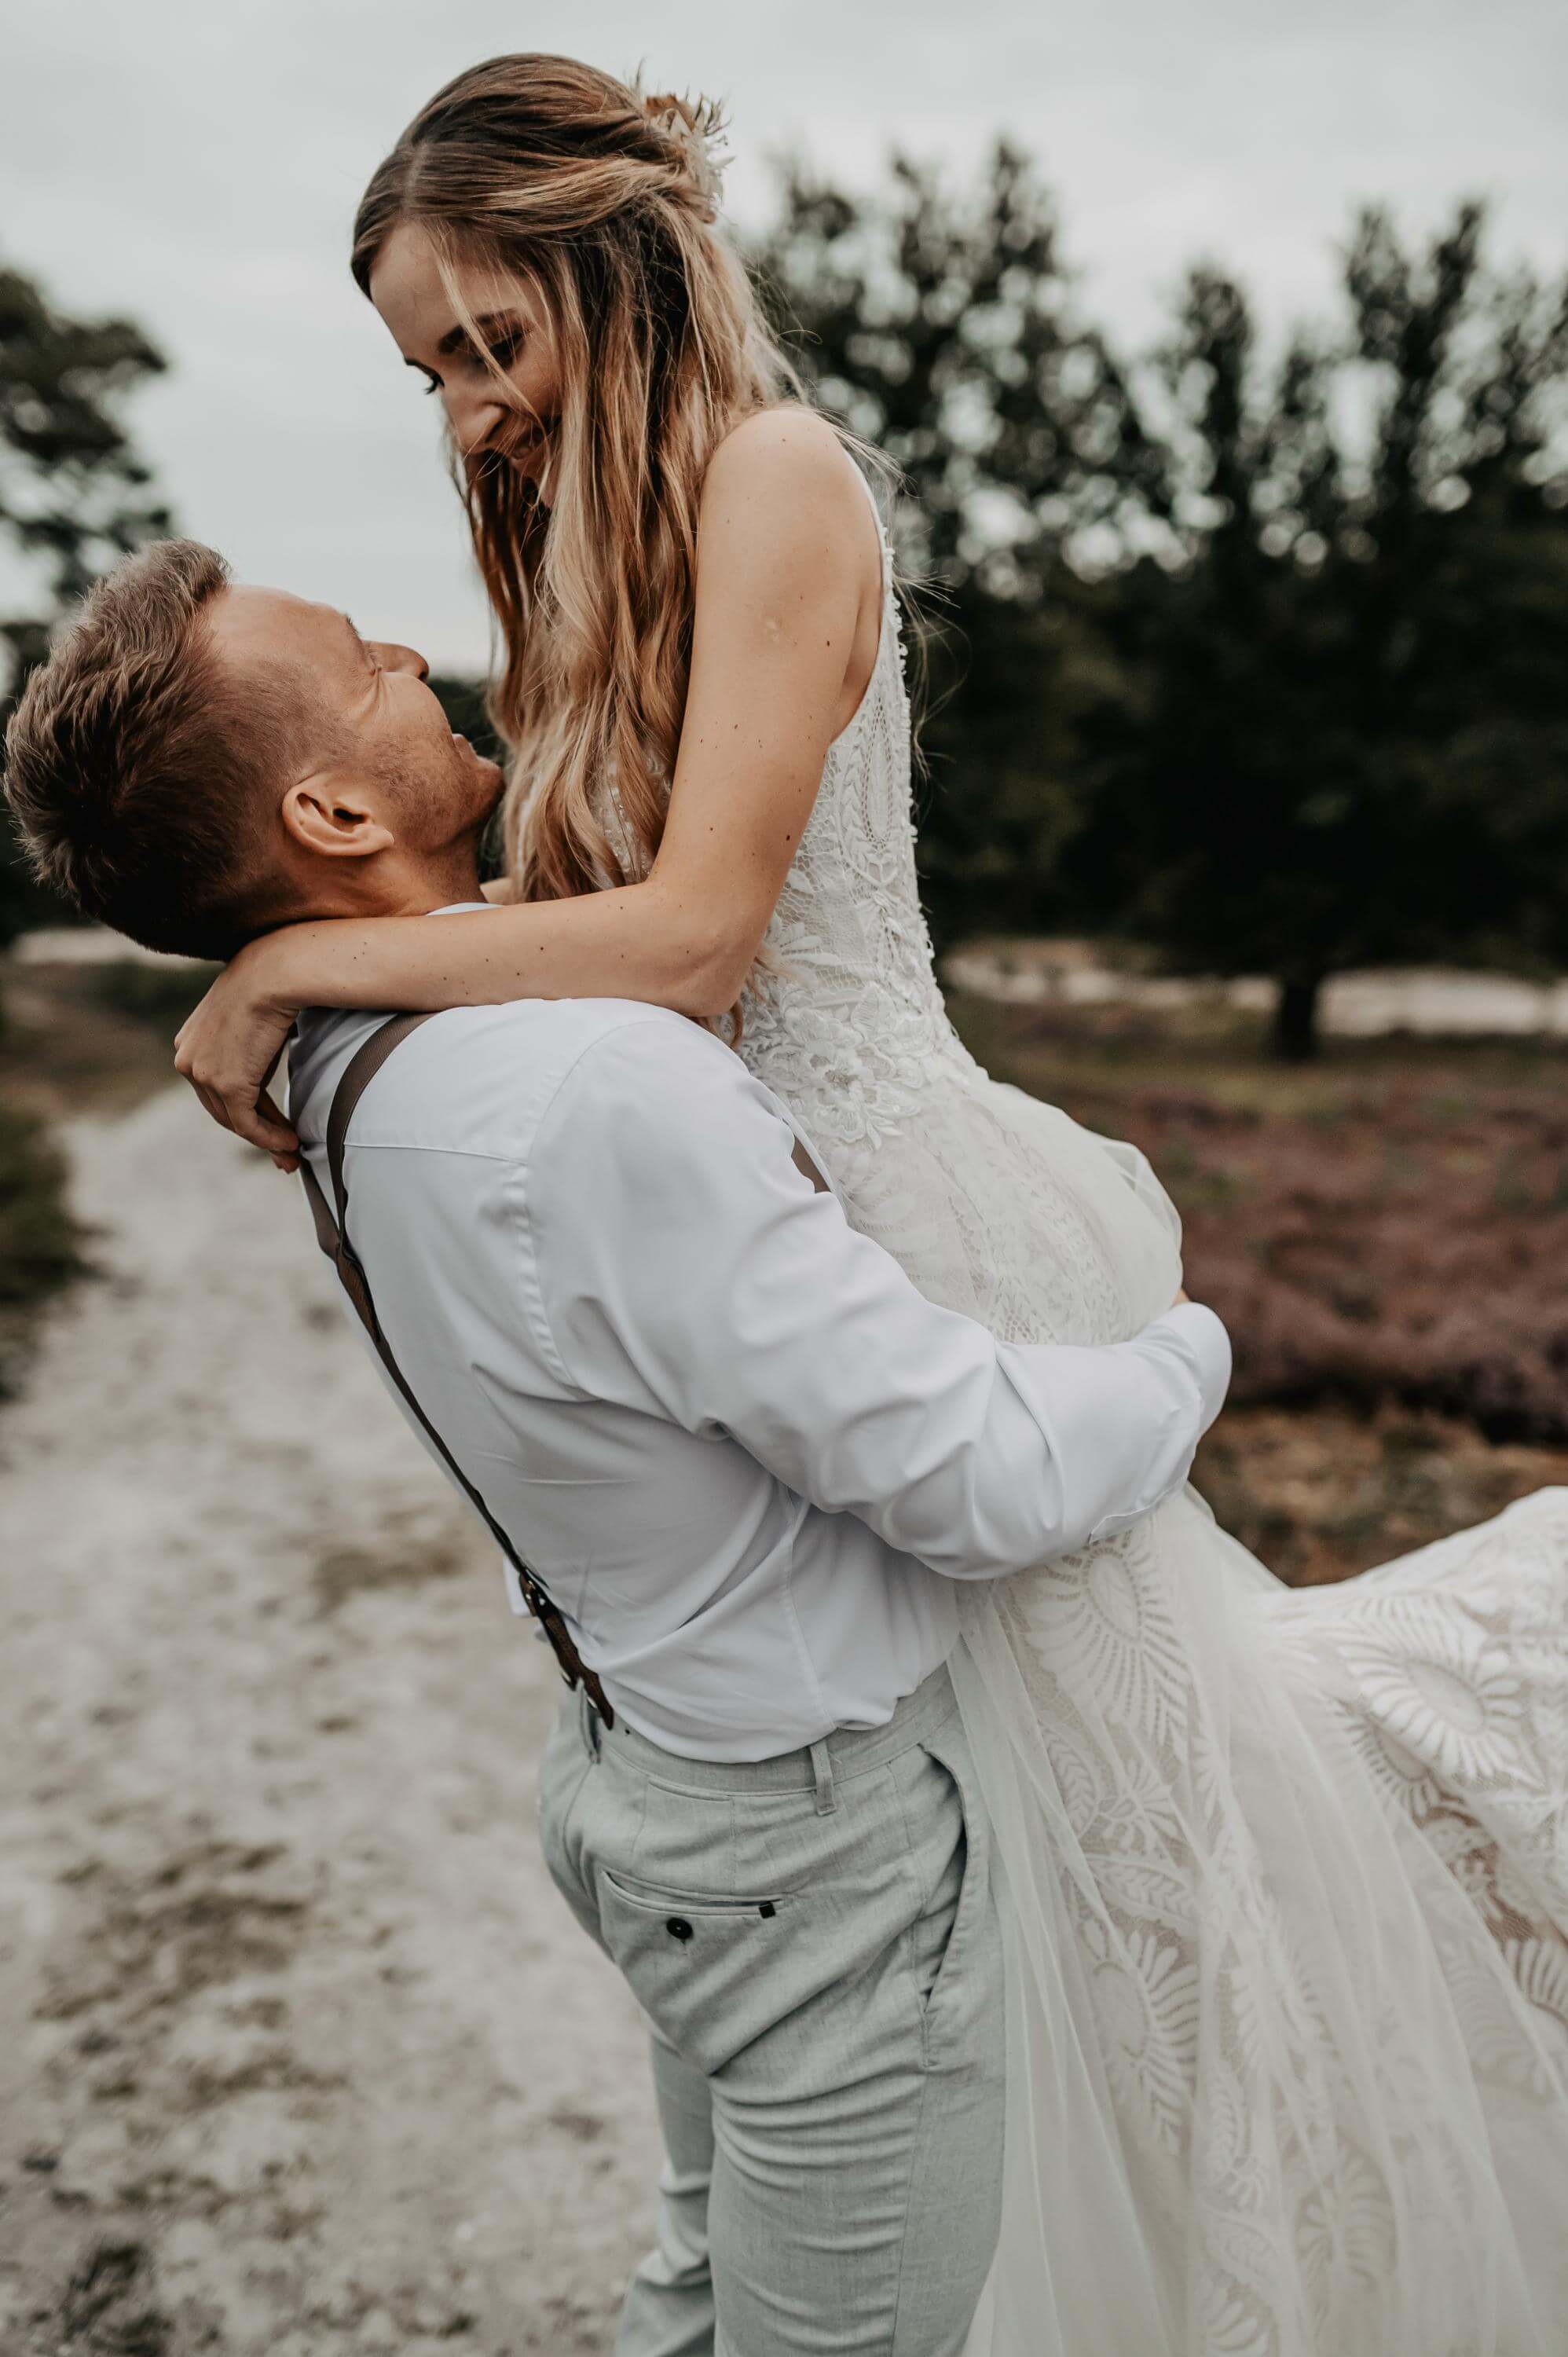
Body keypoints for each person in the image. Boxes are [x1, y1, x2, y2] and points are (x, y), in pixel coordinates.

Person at [62, 56, 1568, 2353]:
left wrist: (300, 958)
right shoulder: (555, 531)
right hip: (751, 1212)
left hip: (902, 1199)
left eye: (492, 340)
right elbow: (574, 929)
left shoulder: (776, 479)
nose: (466, 410)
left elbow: (687, 943)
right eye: (425, 371)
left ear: (608, 263)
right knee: (999, 1887)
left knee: (1146, 1861)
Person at [3, 537, 1234, 2357]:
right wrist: (1189, 1343)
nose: (414, 649)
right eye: (359, 660)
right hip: (808, 1853)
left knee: (696, 2283)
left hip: (644, 1782)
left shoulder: (354, 1065)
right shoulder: (582, 1078)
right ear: (334, 806)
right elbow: (987, 1481)